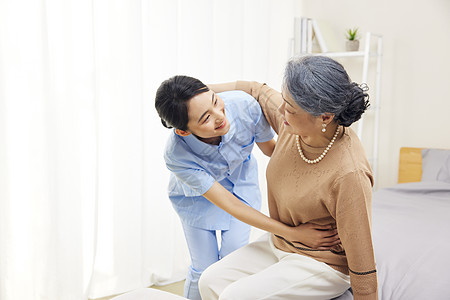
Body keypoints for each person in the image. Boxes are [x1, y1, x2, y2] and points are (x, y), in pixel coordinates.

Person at [199, 55, 378, 300]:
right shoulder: (292, 123)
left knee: (236, 296)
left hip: (323, 263)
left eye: (290, 108)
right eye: (284, 100)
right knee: (210, 281)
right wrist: (196, 94)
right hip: (281, 243)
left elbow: (362, 253)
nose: (281, 110)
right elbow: (255, 90)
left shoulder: (350, 173)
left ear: (324, 117)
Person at [154, 75, 340, 300]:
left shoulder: (244, 107)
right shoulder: (177, 155)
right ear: (183, 131)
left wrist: (319, 168)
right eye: (205, 119)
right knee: (203, 268)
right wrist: (294, 234)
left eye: (215, 101)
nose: (219, 116)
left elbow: (272, 151)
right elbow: (230, 204)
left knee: (232, 257)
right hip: (197, 200)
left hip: (242, 185)